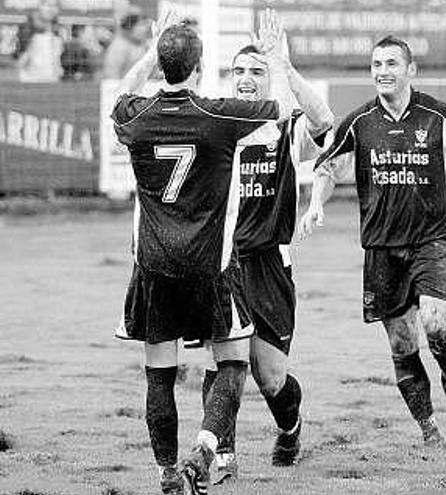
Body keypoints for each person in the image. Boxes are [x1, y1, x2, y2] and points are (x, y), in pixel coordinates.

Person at [111, 9, 295, 494]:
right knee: (232, 364)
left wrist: (152, 55)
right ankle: (207, 447)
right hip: (210, 267)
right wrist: (274, 60)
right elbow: (276, 109)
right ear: (199, 68)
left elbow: (120, 95)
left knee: (159, 375)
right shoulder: (218, 115)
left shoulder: (135, 116)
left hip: (152, 267)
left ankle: (168, 476)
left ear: (163, 65)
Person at [296, 35, 446, 446]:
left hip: (434, 238)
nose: (383, 72)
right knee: (402, 342)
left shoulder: (438, 116)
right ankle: (429, 431)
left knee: (434, 321)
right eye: (376, 64)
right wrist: (315, 204)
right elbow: (326, 168)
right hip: (381, 247)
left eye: (392, 63)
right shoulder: (359, 123)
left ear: (411, 70)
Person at [200, 27, 334, 484]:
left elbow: (324, 120)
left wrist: (286, 67)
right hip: (222, 262)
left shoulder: (285, 125)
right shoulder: (217, 126)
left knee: (270, 376)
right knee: (223, 363)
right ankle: (224, 456)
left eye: (256, 71)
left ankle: (290, 429)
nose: (245, 78)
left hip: (270, 266)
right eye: (238, 70)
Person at [14, 0, 62, 83]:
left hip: (52, 80)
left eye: (54, 6)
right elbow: (20, 60)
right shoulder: (28, 27)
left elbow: (57, 57)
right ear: (40, 6)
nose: (51, 9)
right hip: (30, 80)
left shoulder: (56, 29)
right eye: (48, 5)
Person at [103, 13, 152, 79]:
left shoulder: (145, 45)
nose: (146, 29)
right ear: (130, 28)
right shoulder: (120, 46)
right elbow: (112, 75)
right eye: (141, 25)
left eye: (146, 25)